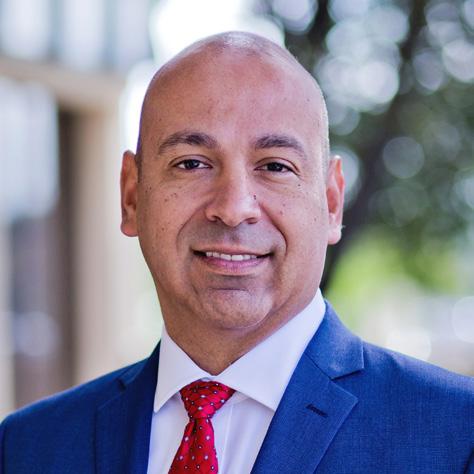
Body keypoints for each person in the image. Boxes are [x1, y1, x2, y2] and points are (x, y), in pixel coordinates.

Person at [0, 31, 473, 474]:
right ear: (131, 197)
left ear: (331, 202)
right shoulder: (27, 448)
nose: (232, 208)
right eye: (191, 163)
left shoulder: (458, 437)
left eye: (275, 166)